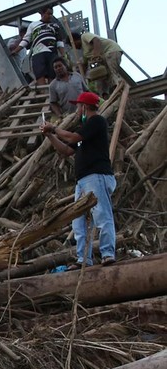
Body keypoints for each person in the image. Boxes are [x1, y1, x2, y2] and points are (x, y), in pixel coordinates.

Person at [41, 91, 115, 267]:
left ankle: (107, 253)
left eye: (78, 106)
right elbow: (66, 150)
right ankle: (83, 259)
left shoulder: (96, 121)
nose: (76, 110)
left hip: (97, 175)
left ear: (84, 107)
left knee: (101, 215)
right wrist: (50, 135)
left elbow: (73, 138)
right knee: (79, 221)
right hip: (83, 180)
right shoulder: (84, 130)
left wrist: (54, 128)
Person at [11, 5, 66, 85]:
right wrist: (16, 51)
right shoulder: (33, 25)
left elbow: (59, 42)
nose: (50, 16)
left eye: (51, 14)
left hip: (52, 53)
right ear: (42, 14)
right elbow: (26, 40)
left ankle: (51, 91)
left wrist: (63, 55)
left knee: (52, 73)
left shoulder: (55, 26)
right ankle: (43, 91)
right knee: (40, 73)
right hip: (38, 53)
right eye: (48, 14)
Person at [71, 31, 123, 96]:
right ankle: (104, 94)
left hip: (111, 51)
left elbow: (96, 40)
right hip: (103, 57)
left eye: (73, 45)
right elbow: (85, 64)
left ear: (75, 40)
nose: (74, 47)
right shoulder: (84, 52)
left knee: (111, 72)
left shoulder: (84, 36)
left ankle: (119, 89)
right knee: (101, 78)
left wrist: (96, 55)